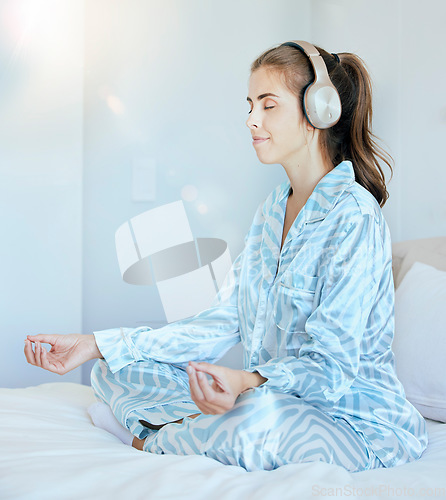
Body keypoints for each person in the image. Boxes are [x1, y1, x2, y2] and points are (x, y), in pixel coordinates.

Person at [24, 40, 428, 472]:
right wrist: (96, 345)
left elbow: (332, 366)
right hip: (267, 394)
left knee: (260, 416)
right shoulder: (272, 212)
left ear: (319, 112)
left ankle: (152, 439)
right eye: (250, 105)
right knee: (115, 370)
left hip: (353, 424)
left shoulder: (355, 216)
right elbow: (224, 320)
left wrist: (248, 383)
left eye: (268, 105)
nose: (252, 120)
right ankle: (190, 429)